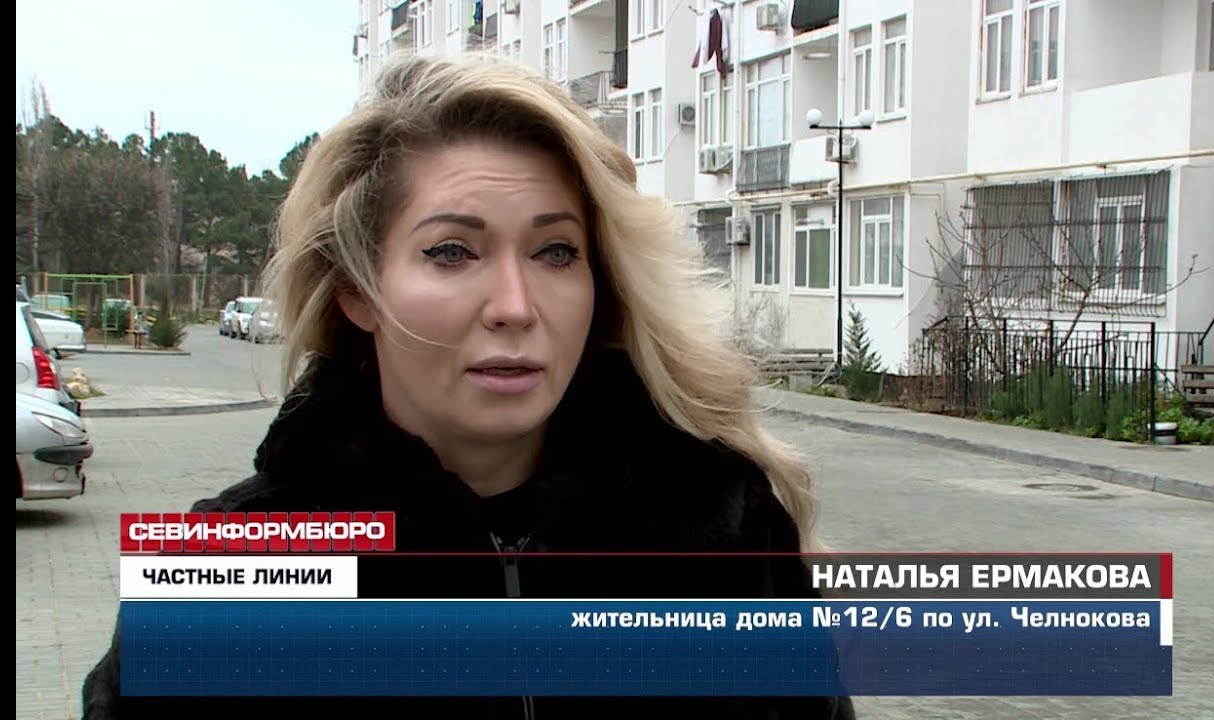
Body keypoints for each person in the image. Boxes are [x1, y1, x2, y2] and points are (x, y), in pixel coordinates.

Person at [82, 54, 855, 720]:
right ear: (356, 289)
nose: (515, 307)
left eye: (556, 252)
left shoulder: (721, 527)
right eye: (452, 251)